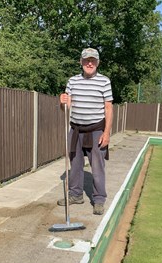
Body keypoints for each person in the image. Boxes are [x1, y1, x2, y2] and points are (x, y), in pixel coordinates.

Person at [58, 48, 113, 215]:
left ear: (98, 62)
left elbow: (109, 108)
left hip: (96, 130)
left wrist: (107, 133)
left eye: (93, 60)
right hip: (75, 129)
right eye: (86, 60)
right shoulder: (72, 81)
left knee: (97, 166)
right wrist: (62, 102)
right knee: (74, 165)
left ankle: (99, 199)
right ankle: (75, 195)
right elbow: (66, 107)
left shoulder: (104, 81)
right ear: (81, 62)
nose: (90, 63)